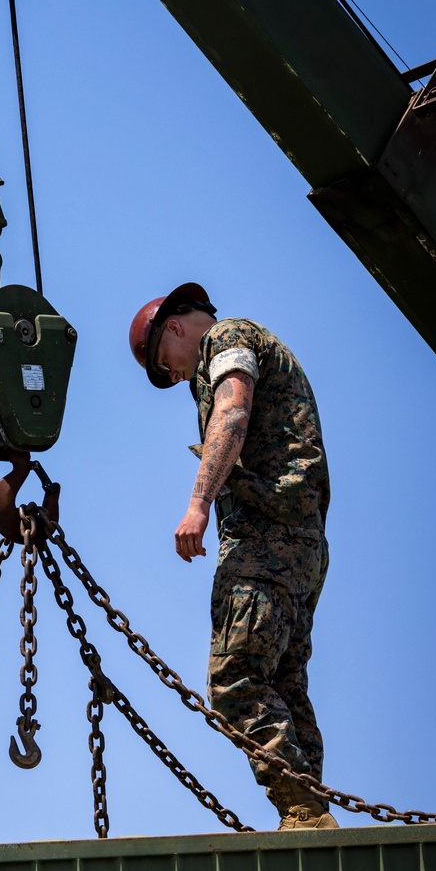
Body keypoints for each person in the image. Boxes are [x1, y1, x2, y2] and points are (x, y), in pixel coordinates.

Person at [129, 282, 337, 831]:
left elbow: (233, 412)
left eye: (164, 365)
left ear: (175, 327)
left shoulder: (227, 337)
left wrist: (198, 504)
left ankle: (302, 808)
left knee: (236, 679)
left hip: (267, 540)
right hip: (302, 546)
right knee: (284, 686)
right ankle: (312, 814)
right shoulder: (247, 343)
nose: (174, 377)